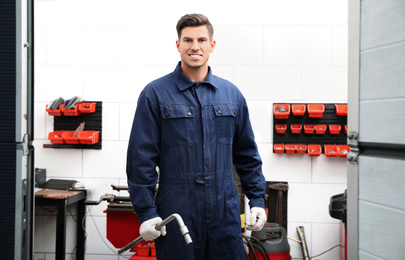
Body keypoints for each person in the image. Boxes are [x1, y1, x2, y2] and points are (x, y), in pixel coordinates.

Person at [126, 13, 266, 260]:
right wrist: (146, 212)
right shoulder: (155, 94)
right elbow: (141, 160)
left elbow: (246, 154)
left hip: (225, 212)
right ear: (178, 45)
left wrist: (256, 199)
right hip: (177, 211)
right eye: (188, 40)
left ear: (211, 45)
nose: (195, 46)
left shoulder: (231, 95)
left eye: (201, 39)